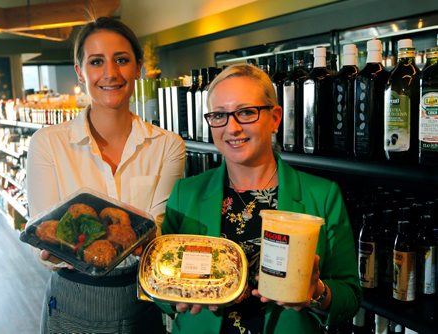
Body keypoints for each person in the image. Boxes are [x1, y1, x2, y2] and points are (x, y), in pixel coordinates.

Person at [158, 64, 361, 333]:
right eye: (219, 115)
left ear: (275, 118)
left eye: (245, 112)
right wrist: (173, 299)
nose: (232, 128)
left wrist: (317, 292)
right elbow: (161, 281)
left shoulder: (321, 195)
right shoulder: (186, 193)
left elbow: (349, 299)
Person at [26, 16, 186, 333]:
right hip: (72, 298)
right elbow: (43, 236)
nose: (110, 73)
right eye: (96, 61)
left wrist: (77, 242)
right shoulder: (48, 143)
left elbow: (156, 234)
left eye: (122, 60)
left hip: (142, 297)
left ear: (138, 67)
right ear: (80, 72)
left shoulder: (167, 145)